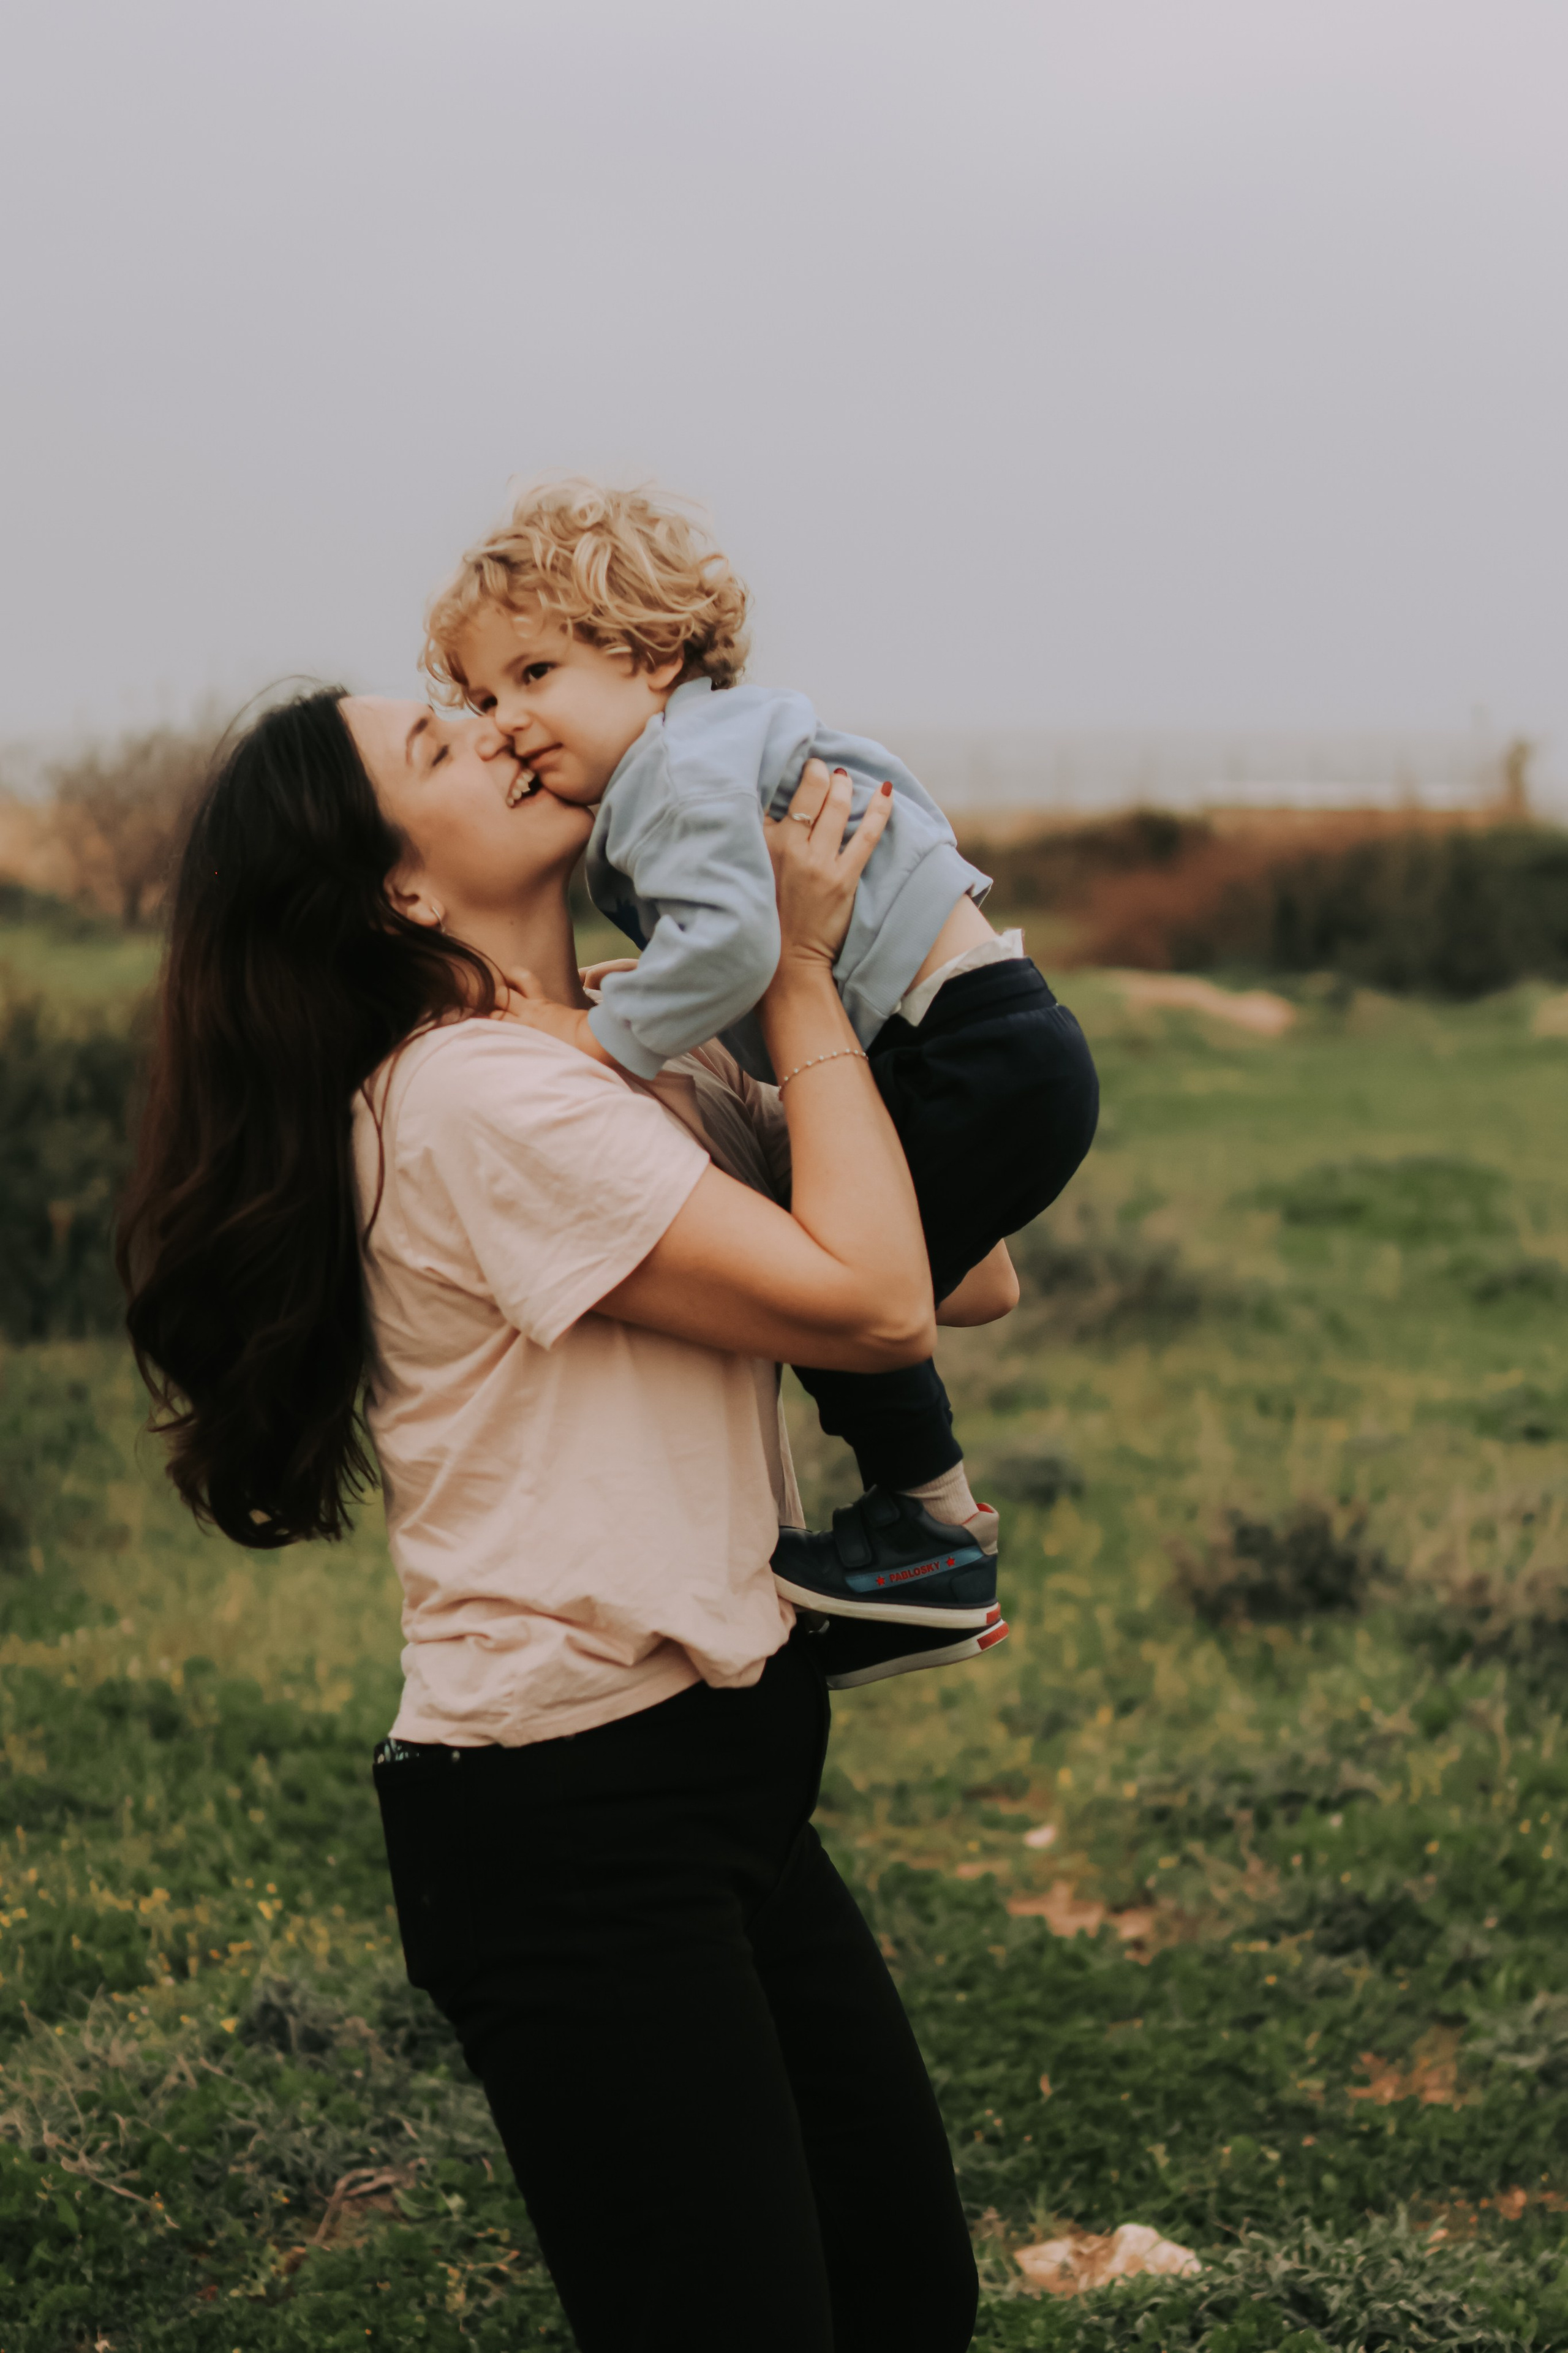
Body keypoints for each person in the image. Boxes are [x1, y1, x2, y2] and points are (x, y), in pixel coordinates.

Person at [118, 687, 981, 2352]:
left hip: (723, 1763)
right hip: (572, 1815)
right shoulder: (473, 1100)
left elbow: (966, 1270)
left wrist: (905, 966)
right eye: (437, 753)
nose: (506, 737)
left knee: (901, 2300)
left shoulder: (622, 1038)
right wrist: (793, 975)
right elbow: (878, 1304)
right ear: (402, 895)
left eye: (471, 715)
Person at [421, 477, 1099, 1676]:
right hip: (987, 1041)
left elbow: (743, 945)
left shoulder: (667, 780)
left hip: (963, 1053)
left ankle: (931, 1531)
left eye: (535, 675)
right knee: (857, 1263)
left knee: (831, 1295)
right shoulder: (725, 744)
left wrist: (600, 1038)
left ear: (655, 655)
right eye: (481, 694)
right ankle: (913, 1555)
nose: (505, 719)